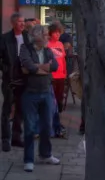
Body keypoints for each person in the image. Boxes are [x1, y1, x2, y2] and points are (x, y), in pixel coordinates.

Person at [19, 25, 61, 171]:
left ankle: (45, 154)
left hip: (46, 92)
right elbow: (27, 66)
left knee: (47, 126)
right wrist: (43, 68)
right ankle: (29, 159)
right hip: (30, 93)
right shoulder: (25, 48)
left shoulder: (48, 50)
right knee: (30, 128)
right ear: (36, 37)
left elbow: (54, 66)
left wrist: (38, 68)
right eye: (44, 34)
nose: (47, 37)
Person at [1, 13, 27, 151]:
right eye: (19, 22)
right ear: (13, 23)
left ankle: (17, 137)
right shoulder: (5, 38)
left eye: (23, 21)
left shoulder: (27, 38)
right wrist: (5, 68)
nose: (22, 24)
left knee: (20, 109)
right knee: (7, 109)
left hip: (24, 78)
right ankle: (5, 139)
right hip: (9, 79)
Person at [46, 21, 68, 138]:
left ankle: (57, 122)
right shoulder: (47, 45)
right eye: (55, 33)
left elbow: (63, 59)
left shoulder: (60, 44)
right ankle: (52, 124)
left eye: (59, 33)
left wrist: (65, 72)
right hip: (52, 77)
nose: (57, 35)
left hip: (61, 76)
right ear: (50, 33)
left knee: (59, 100)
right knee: (51, 101)